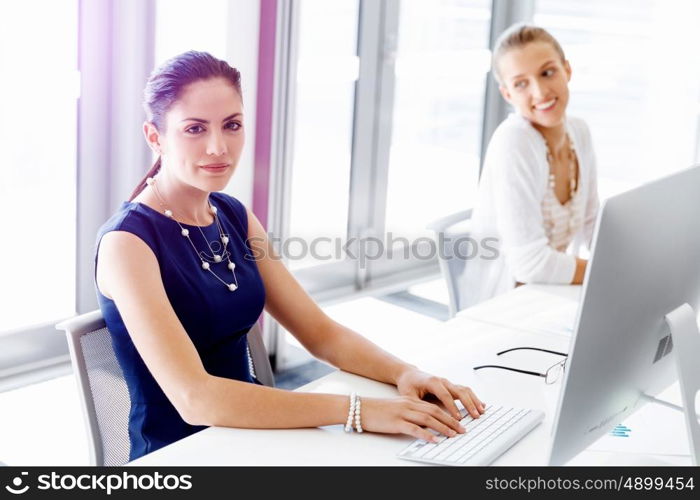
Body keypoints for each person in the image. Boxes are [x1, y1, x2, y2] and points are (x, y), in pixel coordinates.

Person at [95, 51, 485, 461]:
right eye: (194, 129)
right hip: (183, 456)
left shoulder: (233, 215)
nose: (218, 146)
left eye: (232, 125)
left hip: (256, 439)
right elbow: (197, 399)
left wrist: (407, 373)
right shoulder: (128, 243)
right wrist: (358, 410)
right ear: (155, 137)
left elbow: (321, 334)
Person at [464, 24, 599, 306]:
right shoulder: (515, 141)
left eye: (547, 72)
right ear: (507, 94)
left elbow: (592, 224)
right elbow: (530, 263)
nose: (539, 92)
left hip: (551, 294)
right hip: (505, 303)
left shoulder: (580, 132)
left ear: (567, 70)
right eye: (521, 83)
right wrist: (604, 273)